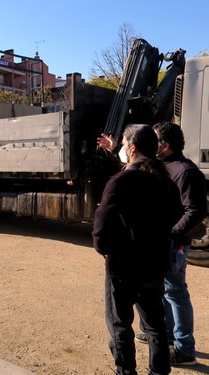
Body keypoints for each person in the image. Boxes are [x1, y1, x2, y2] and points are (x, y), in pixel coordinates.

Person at [93, 124, 184, 375]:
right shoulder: (165, 181)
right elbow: (176, 214)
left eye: (123, 145)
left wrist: (104, 250)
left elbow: (101, 224)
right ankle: (159, 372)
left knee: (120, 324)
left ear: (132, 148)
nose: (122, 149)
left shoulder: (121, 181)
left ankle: (126, 372)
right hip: (154, 264)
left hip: (122, 266)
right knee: (155, 325)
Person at [135, 122, 207, 366]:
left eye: (155, 140)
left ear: (164, 146)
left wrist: (172, 233)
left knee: (175, 291)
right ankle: (165, 335)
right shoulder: (163, 166)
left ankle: (185, 349)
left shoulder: (185, 171)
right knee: (165, 290)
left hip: (173, 243)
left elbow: (197, 210)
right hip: (161, 240)